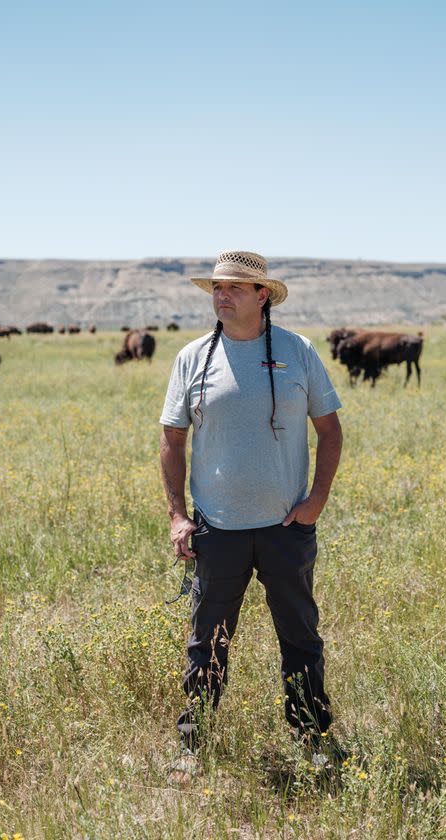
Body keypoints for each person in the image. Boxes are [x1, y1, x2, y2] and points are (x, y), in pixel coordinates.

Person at [159, 250, 343, 771]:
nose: (222, 295)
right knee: (207, 641)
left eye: (235, 287)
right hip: (217, 529)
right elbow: (172, 440)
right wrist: (178, 516)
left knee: (300, 636)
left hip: (286, 528)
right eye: (218, 286)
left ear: (263, 296)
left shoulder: (298, 351)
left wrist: (317, 501)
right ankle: (194, 744)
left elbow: (329, 430)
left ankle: (311, 740)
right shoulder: (193, 357)